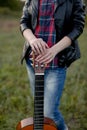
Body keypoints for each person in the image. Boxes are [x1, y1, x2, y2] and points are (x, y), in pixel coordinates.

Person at [20, 0, 85, 130]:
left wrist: (53, 50)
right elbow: (24, 22)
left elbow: (78, 27)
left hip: (56, 62)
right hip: (33, 61)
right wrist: (32, 39)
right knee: (40, 107)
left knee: (48, 114)